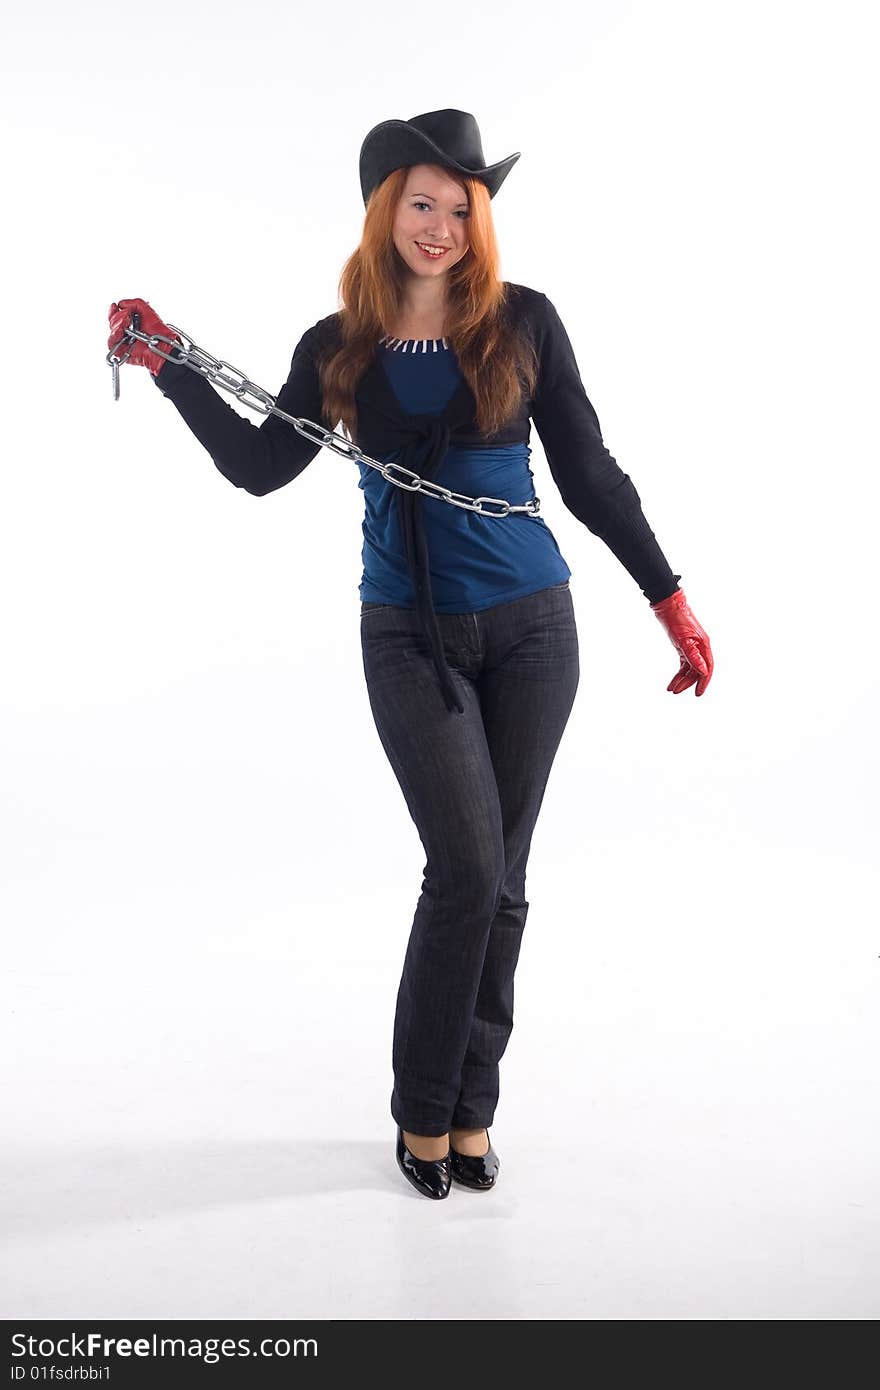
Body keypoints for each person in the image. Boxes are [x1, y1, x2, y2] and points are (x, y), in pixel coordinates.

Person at [107, 108, 713, 1202]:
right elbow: (257, 467)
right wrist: (172, 364)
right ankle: (421, 1113)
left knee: (507, 883)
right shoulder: (334, 345)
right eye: (419, 204)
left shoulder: (524, 322)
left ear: (481, 218)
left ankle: (473, 1110)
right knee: (467, 869)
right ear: (385, 213)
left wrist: (668, 598)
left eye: (460, 205)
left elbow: (588, 475)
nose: (440, 225)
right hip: (407, 634)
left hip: (535, 628)